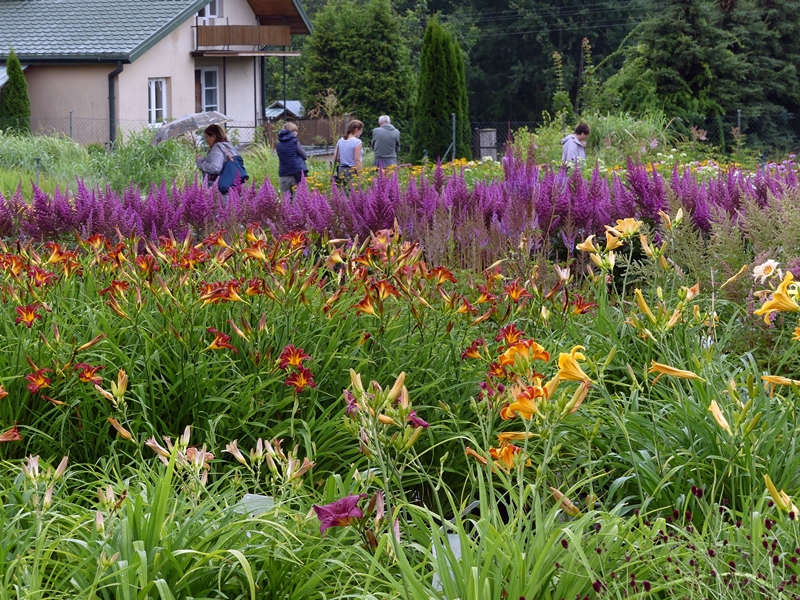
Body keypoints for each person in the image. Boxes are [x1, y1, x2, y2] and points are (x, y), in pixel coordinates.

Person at [195, 124, 240, 189]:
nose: (206, 140)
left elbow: (215, 168)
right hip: (233, 186)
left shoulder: (217, 147)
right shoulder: (228, 146)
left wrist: (199, 161)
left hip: (219, 190)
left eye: (207, 137)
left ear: (213, 136)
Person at [275, 122, 308, 197]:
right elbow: (305, 156)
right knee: (298, 199)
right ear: (293, 131)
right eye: (295, 130)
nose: (297, 133)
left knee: (286, 200)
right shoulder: (295, 141)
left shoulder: (278, 143)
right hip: (296, 174)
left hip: (283, 174)